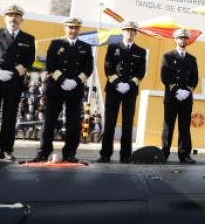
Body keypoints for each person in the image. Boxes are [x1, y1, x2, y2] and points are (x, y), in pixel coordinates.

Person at [32, 17, 94, 164]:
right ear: (65, 28)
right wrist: (63, 80)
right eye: (70, 28)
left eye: (76, 28)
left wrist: (76, 81)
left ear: (79, 30)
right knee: (49, 122)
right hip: (56, 88)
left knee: (73, 123)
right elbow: (50, 65)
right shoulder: (56, 44)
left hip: (75, 89)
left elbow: (88, 68)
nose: (73, 30)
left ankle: (70, 153)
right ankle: (44, 152)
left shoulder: (86, 47)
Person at [0, 4, 36, 161]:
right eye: (10, 16)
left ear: (22, 20)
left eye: (16, 16)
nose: (13, 18)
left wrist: (14, 73)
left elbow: (29, 61)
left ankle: (6, 149)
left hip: (14, 81)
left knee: (10, 117)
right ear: (5, 19)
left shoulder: (28, 39)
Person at [98, 20, 148, 163]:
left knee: (127, 124)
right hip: (114, 89)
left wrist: (129, 85)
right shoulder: (113, 47)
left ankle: (125, 156)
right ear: (122, 32)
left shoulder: (141, 51)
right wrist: (118, 83)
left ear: (136, 33)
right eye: (127, 30)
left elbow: (141, 72)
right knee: (110, 123)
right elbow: (108, 67)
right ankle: (105, 154)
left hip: (130, 91)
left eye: (132, 31)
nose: (129, 33)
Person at [161, 28, 199, 163]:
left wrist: (187, 91)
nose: (183, 40)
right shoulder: (168, 56)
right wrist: (177, 90)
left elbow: (194, 78)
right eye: (180, 38)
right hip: (171, 97)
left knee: (184, 127)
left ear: (187, 40)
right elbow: (165, 76)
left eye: (185, 38)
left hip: (186, 98)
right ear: (175, 39)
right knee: (168, 126)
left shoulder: (192, 59)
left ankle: (184, 155)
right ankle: (164, 153)